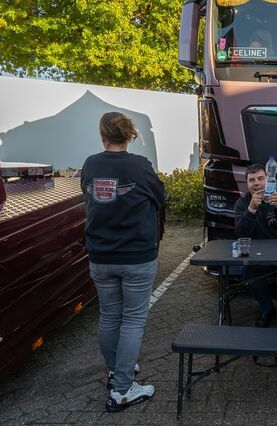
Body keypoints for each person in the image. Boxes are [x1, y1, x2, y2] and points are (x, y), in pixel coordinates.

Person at [81, 112, 166, 412]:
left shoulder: (91, 165)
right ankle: (123, 389)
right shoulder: (139, 166)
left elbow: (88, 198)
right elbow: (160, 197)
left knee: (108, 316)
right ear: (129, 134)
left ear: (102, 134)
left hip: (100, 256)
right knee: (132, 321)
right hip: (136, 257)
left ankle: (117, 372)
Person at [234, 163, 277, 327]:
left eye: (260, 178)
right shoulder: (242, 203)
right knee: (247, 272)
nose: (256, 183)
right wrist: (251, 210)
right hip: (259, 254)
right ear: (247, 184)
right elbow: (241, 233)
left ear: (269, 180)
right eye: (252, 180)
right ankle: (267, 308)